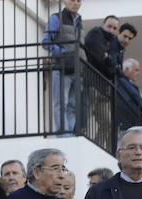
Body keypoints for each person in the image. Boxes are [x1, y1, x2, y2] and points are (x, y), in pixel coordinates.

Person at [43, 0, 83, 132]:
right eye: (73, 0)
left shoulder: (79, 20)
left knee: (73, 105)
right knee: (61, 103)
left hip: (77, 69)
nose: (76, 3)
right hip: (61, 67)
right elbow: (46, 42)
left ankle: (70, 132)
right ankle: (63, 133)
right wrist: (64, 53)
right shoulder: (56, 18)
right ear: (65, 1)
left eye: (79, 0)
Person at [84, 15, 120, 81]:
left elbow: (113, 71)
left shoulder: (112, 41)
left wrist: (107, 58)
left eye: (114, 28)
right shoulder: (95, 32)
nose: (111, 30)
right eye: (109, 26)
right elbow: (100, 57)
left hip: (98, 81)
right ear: (102, 25)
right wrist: (109, 59)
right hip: (89, 78)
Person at [116, 58, 142, 130]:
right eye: (136, 70)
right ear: (127, 69)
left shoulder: (128, 84)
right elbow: (124, 103)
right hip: (129, 124)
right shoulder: (122, 83)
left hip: (134, 123)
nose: (138, 73)